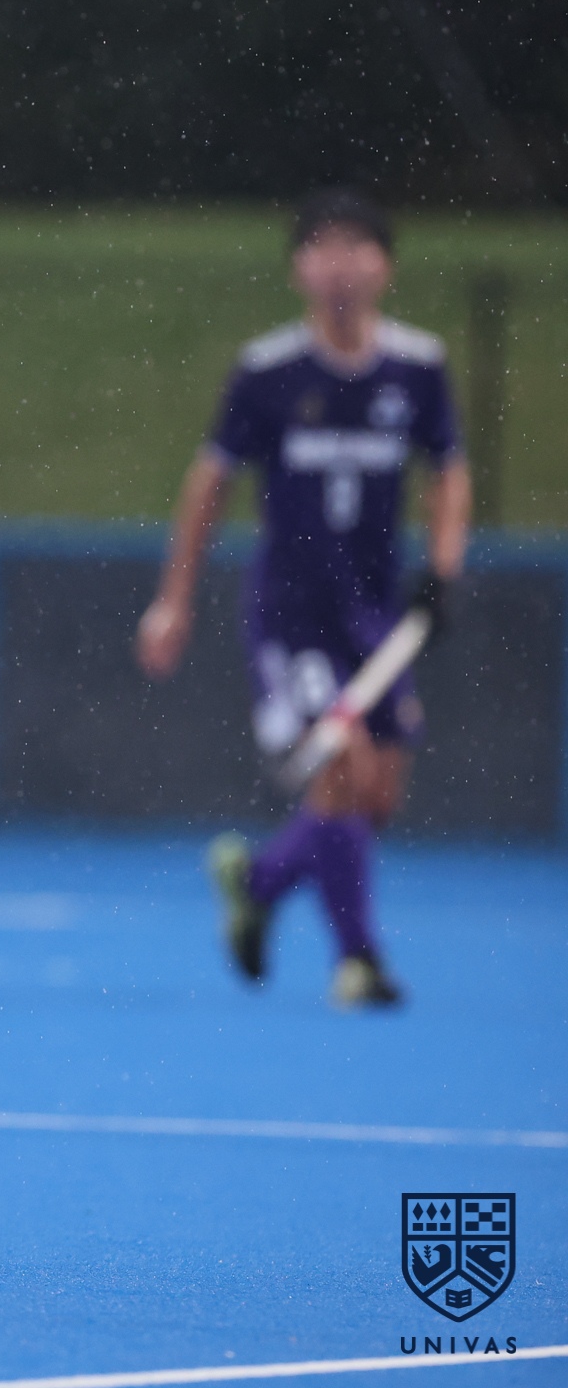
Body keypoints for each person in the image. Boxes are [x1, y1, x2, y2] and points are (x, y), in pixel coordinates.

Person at [135, 188, 469, 1009]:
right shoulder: (268, 372)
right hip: (294, 615)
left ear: (386, 267)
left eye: (358, 248)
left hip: (376, 614)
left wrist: (443, 567)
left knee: (376, 797)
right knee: (341, 768)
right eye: (323, 249)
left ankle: (260, 881)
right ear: (298, 270)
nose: (340, 266)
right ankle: (360, 962)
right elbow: (208, 487)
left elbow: (449, 472)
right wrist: (174, 600)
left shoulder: (417, 367)